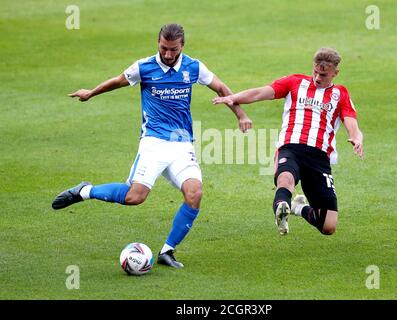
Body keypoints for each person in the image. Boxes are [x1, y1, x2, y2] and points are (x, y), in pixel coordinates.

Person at [52, 23, 252, 268]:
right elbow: (117, 81)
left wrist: (240, 115)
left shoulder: (193, 67)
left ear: (182, 47)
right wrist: (91, 92)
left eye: (174, 50)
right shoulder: (144, 67)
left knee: (195, 194)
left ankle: (167, 251)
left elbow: (221, 88)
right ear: (158, 43)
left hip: (182, 144)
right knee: (135, 197)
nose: (168, 55)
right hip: (153, 143)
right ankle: (85, 191)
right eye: (164, 48)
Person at [213, 47, 363, 236]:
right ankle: (282, 206)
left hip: (319, 157)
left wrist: (356, 137)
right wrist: (232, 97)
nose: (317, 77)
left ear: (335, 73)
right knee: (285, 180)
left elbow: (351, 122)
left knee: (328, 226)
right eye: (315, 71)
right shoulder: (295, 82)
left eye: (323, 74)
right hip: (290, 147)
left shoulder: (340, 94)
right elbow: (260, 93)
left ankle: (297, 208)